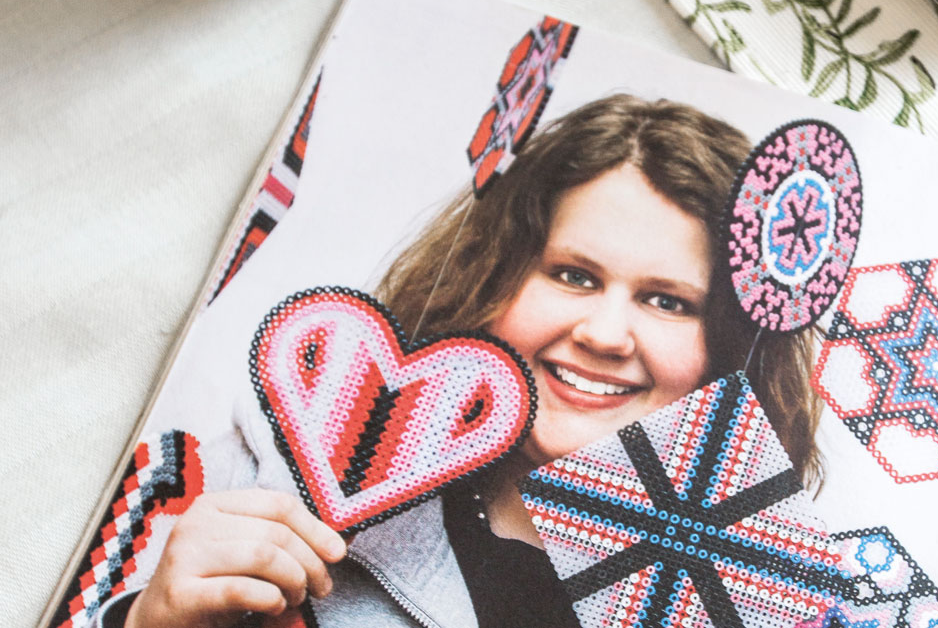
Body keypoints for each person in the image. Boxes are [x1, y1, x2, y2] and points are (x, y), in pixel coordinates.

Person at [117, 95, 822, 628]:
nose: (606, 334)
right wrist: (147, 624)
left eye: (668, 301)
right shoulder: (260, 479)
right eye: (573, 276)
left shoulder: (762, 600)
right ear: (493, 275)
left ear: (732, 342)